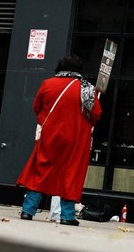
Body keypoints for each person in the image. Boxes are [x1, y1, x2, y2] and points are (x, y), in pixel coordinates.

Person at [16, 54, 102, 226]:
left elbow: (36, 107)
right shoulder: (86, 88)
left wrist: (45, 122)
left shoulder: (48, 84)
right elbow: (96, 114)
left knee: (41, 170)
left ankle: (28, 210)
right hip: (76, 138)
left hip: (51, 135)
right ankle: (67, 215)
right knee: (71, 174)